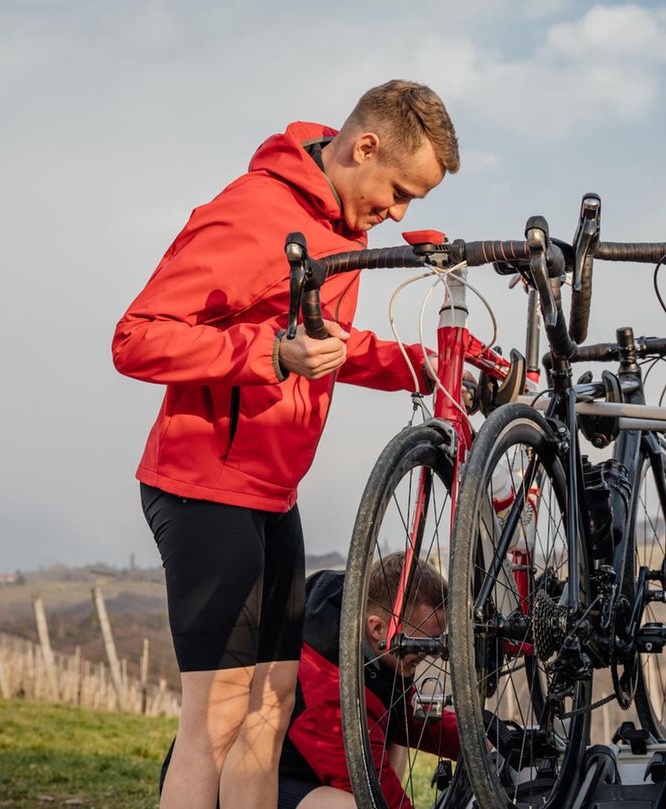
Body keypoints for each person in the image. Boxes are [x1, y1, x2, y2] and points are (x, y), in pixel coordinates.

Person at [111, 80, 460, 809]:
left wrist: (428, 367)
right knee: (214, 722)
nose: (398, 213)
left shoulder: (340, 231)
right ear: (364, 147)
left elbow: (330, 344)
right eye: (399, 190)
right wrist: (269, 354)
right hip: (202, 487)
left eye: (412, 202)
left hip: (274, 496)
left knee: (269, 717)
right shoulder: (255, 211)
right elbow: (137, 337)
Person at [278, 553, 459, 809]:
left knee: (397, 722)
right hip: (282, 783)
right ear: (377, 628)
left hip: (324, 765)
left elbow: (408, 714)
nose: (432, 654)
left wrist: (483, 744)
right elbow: (377, 794)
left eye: (437, 641)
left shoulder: (363, 610)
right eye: (421, 643)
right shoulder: (327, 693)